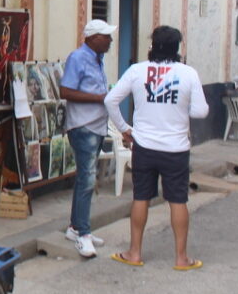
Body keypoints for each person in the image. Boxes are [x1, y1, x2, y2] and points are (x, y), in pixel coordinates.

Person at [105, 26, 209, 270]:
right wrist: (182, 111)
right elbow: (201, 111)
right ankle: (181, 258)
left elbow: (110, 100)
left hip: (144, 147)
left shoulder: (136, 71)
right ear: (177, 49)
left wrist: (123, 128)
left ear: (153, 47)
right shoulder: (188, 73)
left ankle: (134, 252)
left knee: (141, 197)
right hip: (176, 149)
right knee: (178, 200)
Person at [59, 19, 117, 258]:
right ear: (93, 38)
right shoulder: (78, 58)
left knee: (86, 179)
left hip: (95, 126)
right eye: (106, 36)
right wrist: (99, 98)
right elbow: (65, 91)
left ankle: (76, 227)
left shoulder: (97, 59)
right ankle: (83, 233)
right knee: (87, 180)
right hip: (82, 127)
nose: (111, 40)